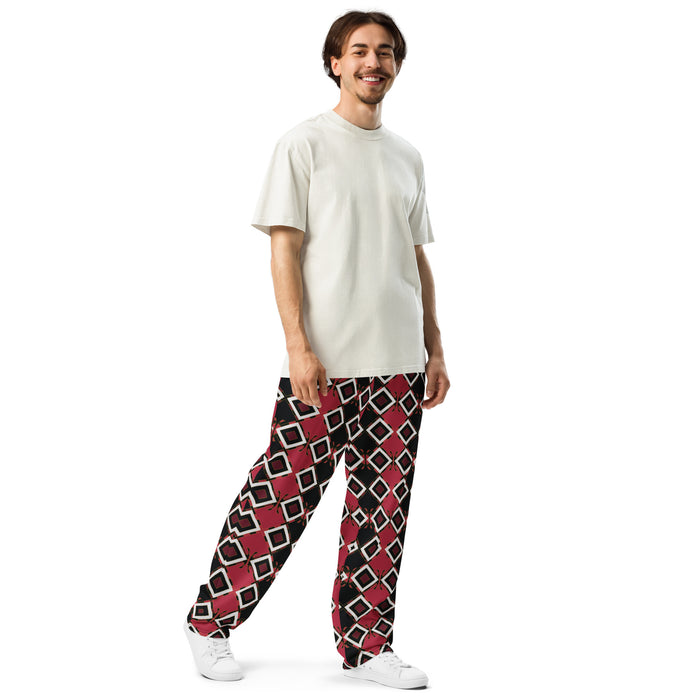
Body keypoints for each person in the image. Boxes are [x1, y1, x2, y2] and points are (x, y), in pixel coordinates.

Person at [183, 9, 450, 690]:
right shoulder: (303, 144)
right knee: (280, 496)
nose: (373, 63)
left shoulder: (408, 155)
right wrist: (298, 347)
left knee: (383, 510)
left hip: (399, 367)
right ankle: (210, 624)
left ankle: (367, 646)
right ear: (335, 63)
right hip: (324, 366)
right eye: (359, 50)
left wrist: (436, 348)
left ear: (397, 65)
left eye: (385, 52)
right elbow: (285, 249)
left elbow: (416, 258)